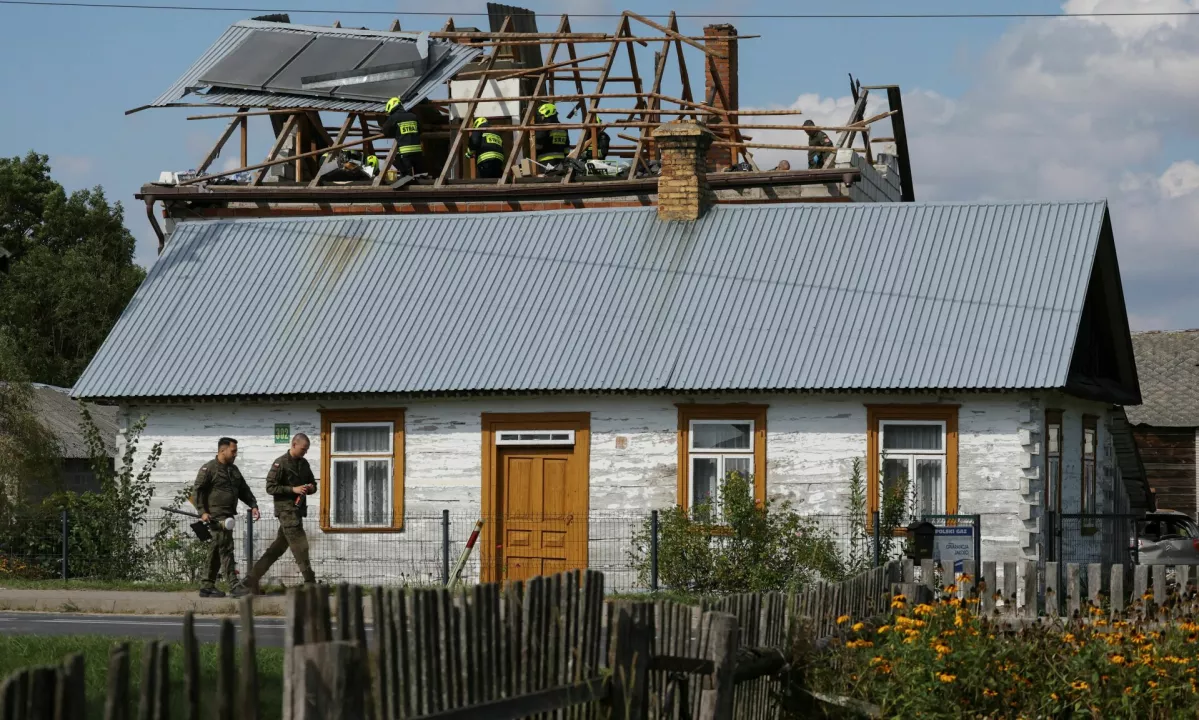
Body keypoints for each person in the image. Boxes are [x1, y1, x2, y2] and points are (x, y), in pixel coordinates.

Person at [240, 433, 318, 594]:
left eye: (307, 450)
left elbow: (313, 483)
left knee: (277, 548)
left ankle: (250, 580)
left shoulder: (304, 464)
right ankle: (310, 582)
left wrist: (310, 488)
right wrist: (292, 489)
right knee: (300, 545)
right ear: (294, 444)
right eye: (303, 449)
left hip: (298, 511)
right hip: (286, 511)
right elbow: (270, 487)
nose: (305, 452)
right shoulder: (280, 463)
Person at [192, 437, 260, 598]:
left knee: (217, 549)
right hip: (216, 516)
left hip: (228, 515)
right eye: (233, 451)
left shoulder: (233, 470)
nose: (235, 454)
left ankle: (206, 586)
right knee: (226, 548)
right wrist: (202, 512)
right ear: (222, 450)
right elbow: (197, 492)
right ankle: (234, 585)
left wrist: (253, 505)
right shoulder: (209, 469)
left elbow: (243, 489)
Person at [380, 96, 423, 176]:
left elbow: (385, 131)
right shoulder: (413, 116)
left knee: (406, 176)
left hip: (405, 153)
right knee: (419, 175)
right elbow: (420, 130)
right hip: (417, 152)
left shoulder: (393, 118)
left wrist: (396, 132)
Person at [533, 102, 570, 170]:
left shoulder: (544, 128)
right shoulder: (564, 128)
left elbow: (537, 146)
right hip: (561, 164)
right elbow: (567, 150)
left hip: (545, 164)